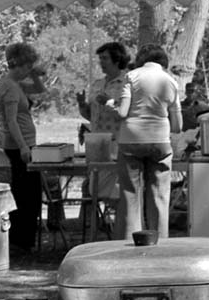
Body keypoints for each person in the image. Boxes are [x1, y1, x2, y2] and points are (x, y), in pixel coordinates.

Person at [115, 43, 183, 240]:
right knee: (160, 195)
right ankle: (159, 243)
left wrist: (113, 106)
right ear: (163, 62)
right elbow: (177, 125)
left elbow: (123, 112)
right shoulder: (170, 81)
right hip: (159, 141)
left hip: (131, 139)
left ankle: (131, 244)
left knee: (130, 194)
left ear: (141, 61)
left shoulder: (132, 76)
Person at [0, 41, 44, 253]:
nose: (28, 70)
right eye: (26, 66)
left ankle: (24, 240)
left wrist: (34, 74)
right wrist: (23, 146)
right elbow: (11, 121)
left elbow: (41, 89)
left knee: (30, 192)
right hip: (19, 146)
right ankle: (21, 240)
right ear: (18, 64)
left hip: (26, 143)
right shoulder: (9, 87)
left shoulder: (17, 84)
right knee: (26, 194)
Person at [76, 41, 130, 237]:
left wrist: (108, 102)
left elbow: (125, 113)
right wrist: (83, 106)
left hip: (118, 143)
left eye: (105, 58)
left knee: (114, 191)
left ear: (117, 59)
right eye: (100, 59)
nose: (101, 63)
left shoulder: (127, 82)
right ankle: (102, 229)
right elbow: (92, 115)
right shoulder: (98, 84)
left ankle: (120, 230)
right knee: (94, 188)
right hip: (97, 143)